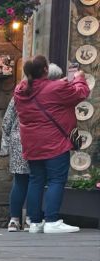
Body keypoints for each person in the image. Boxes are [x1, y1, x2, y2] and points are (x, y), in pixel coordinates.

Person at [13, 55, 90, 234]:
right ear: (46, 70)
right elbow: (80, 93)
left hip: (32, 144)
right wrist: (79, 78)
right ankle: (52, 220)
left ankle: (35, 222)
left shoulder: (20, 90)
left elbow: (45, 92)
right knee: (56, 180)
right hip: (55, 142)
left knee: (36, 180)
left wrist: (63, 83)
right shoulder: (55, 88)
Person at [2, 63, 66, 232]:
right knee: (36, 180)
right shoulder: (51, 93)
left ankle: (14, 220)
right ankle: (32, 219)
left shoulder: (21, 92)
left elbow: (7, 120)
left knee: (20, 181)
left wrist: (5, 145)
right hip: (37, 140)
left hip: (18, 139)